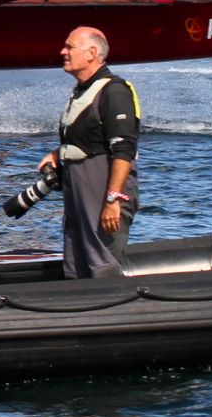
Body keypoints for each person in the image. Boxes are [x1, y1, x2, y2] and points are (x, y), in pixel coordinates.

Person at [35, 26, 140, 279]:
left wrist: (112, 200)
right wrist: (57, 153)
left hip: (105, 196)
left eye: (69, 47)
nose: (62, 51)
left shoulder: (114, 92)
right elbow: (86, 139)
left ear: (92, 53)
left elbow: (124, 150)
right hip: (77, 197)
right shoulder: (81, 91)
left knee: (102, 262)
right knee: (76, 264)